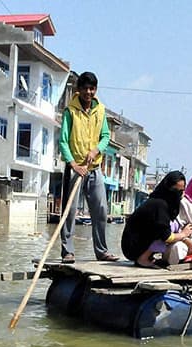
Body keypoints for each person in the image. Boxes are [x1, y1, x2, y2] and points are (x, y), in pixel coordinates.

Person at [57, 71, 119, 264]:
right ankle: (67, 251)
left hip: (94, 168)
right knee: (70, 210)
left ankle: (101, 251)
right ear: (79, 90)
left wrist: (96, 151)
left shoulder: (100, 110)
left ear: (95, 90)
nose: (88, 92)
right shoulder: (70, 111)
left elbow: (106, 137)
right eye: (85, 88)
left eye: (92, 89)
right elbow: (63, 141)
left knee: (101, 209)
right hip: (75, 169)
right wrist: (73, 164)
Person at [120, 171, 192, 267]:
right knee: (164, 230)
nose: (180, 195)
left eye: (182, 191)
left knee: (173, 225)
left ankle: (147, 256)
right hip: (132, 247)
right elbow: (166, 236)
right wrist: (183, 234)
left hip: (138, 243)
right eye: (176, 191)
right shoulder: (160, 205)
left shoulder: (164, 203)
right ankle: (143, 258)